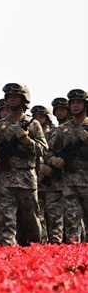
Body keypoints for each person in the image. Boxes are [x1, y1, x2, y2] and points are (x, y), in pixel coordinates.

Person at [0, 83, 46, 246]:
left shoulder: (33, 124)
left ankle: (35, 251)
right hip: (4, 180)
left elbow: (43, 149)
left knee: (31, 221)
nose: (12, 99)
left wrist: (28, 141)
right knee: (4, 221)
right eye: (9, 97)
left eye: (16, 97)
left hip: (26, 179)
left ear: (24, 100)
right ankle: (6, 253)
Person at [46, 89, 88, 244]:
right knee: (72, 225)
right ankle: (72, 256)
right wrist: (53, 161)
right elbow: (47, 151)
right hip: (69, 184)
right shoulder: (61, 131)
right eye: (73, 103)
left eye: (79, 103)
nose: (75, 106)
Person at [31, 104, 64, 243]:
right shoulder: (30, 135)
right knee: (39, 219)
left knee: (55, 218)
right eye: (35, 117)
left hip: (53, 184)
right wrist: (40, 167)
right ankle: (42, 246)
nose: (38, 119)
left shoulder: (56, 134)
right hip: (35, 184)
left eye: (41, 117)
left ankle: (57, 247)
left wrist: (51, 163)